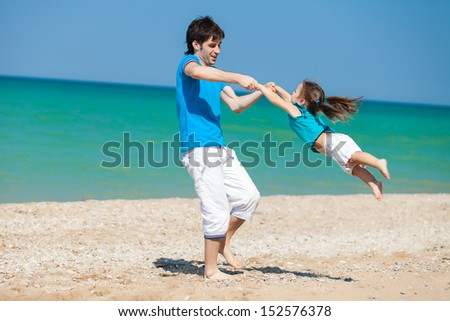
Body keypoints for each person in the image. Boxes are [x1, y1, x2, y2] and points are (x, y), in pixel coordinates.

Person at [176, 16, 261, 280]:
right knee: (215, 209)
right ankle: (210, 271)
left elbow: (236, 106)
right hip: (198, 149)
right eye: (213, 45)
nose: (217, 50)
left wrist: (260, 91)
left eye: (220, 45)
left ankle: (223, 243)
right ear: (196, 44)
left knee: (249, 197)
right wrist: (237, 76)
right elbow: (198, 72)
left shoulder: (216, 78)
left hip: (219, 148)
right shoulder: (188, 64)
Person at [257, 80, 390, 200]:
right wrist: (277, 88)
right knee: (353, 169)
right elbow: (288, 98)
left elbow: (276, 100)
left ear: (302, 100)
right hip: (332, 148)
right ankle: (375, 184)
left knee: (354, 157)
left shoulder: (297, 111)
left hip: (335, 142)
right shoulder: (299, 109)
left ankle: (378, 162)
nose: (292, 92)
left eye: (295, 91)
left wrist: (260, 87)